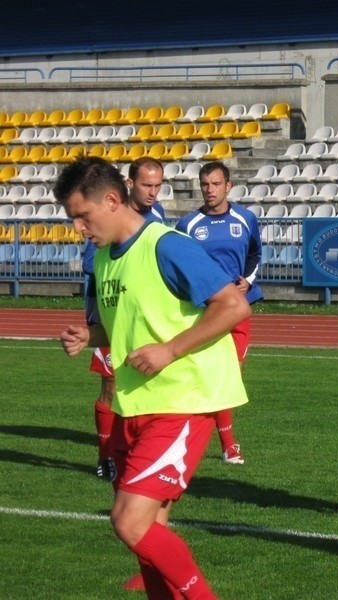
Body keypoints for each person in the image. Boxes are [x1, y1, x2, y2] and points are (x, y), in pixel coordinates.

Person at [56, 157, 250, 599]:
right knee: (146, 535)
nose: (78, 228)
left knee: (129, 520)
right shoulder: (106, 256)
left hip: (181, 402)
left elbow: (233, 306)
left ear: (110, 200)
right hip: (136, 403)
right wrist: (90, 334)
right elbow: (127, 324)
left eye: (82, 216)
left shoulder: (166, 245)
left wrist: (170, 350)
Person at [84, 157, 167, 481]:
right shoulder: (110, 216)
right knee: (112, 383)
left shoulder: (157, 215)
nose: (153, 192)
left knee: (144, 381)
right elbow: (93, 264)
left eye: (158, 185)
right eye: (147, 185)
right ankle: (106, 457)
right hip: (109, 307)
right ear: (130, 184)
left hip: (145, 312)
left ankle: (134, 450)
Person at [176, 161, 263, 465]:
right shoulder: (188, 224)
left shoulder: (246, 218)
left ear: (228, 185)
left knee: (231, 377)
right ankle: (227, 444)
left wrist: (247, 281)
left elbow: (255, 254)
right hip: (205, 310)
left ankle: (221, 442)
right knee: (203, 376)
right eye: (204, 185)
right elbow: (180, 264)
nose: (209, 190)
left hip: (238, 310)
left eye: (215, 184)